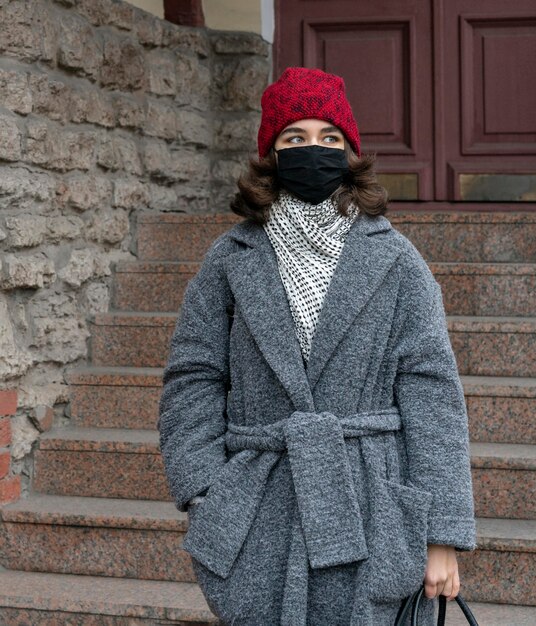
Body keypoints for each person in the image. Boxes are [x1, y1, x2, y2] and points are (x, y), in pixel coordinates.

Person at [157, 66, 476, 626]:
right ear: (270, 155)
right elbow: (193, 377)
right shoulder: (231, 259)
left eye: (329, 138)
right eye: (294, 138)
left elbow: (433, 398)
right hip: (260, 501)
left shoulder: (397, 261)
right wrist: (208, 490)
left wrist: (441, 535)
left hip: (371, 503)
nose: (313, 150)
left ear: (350, 152)